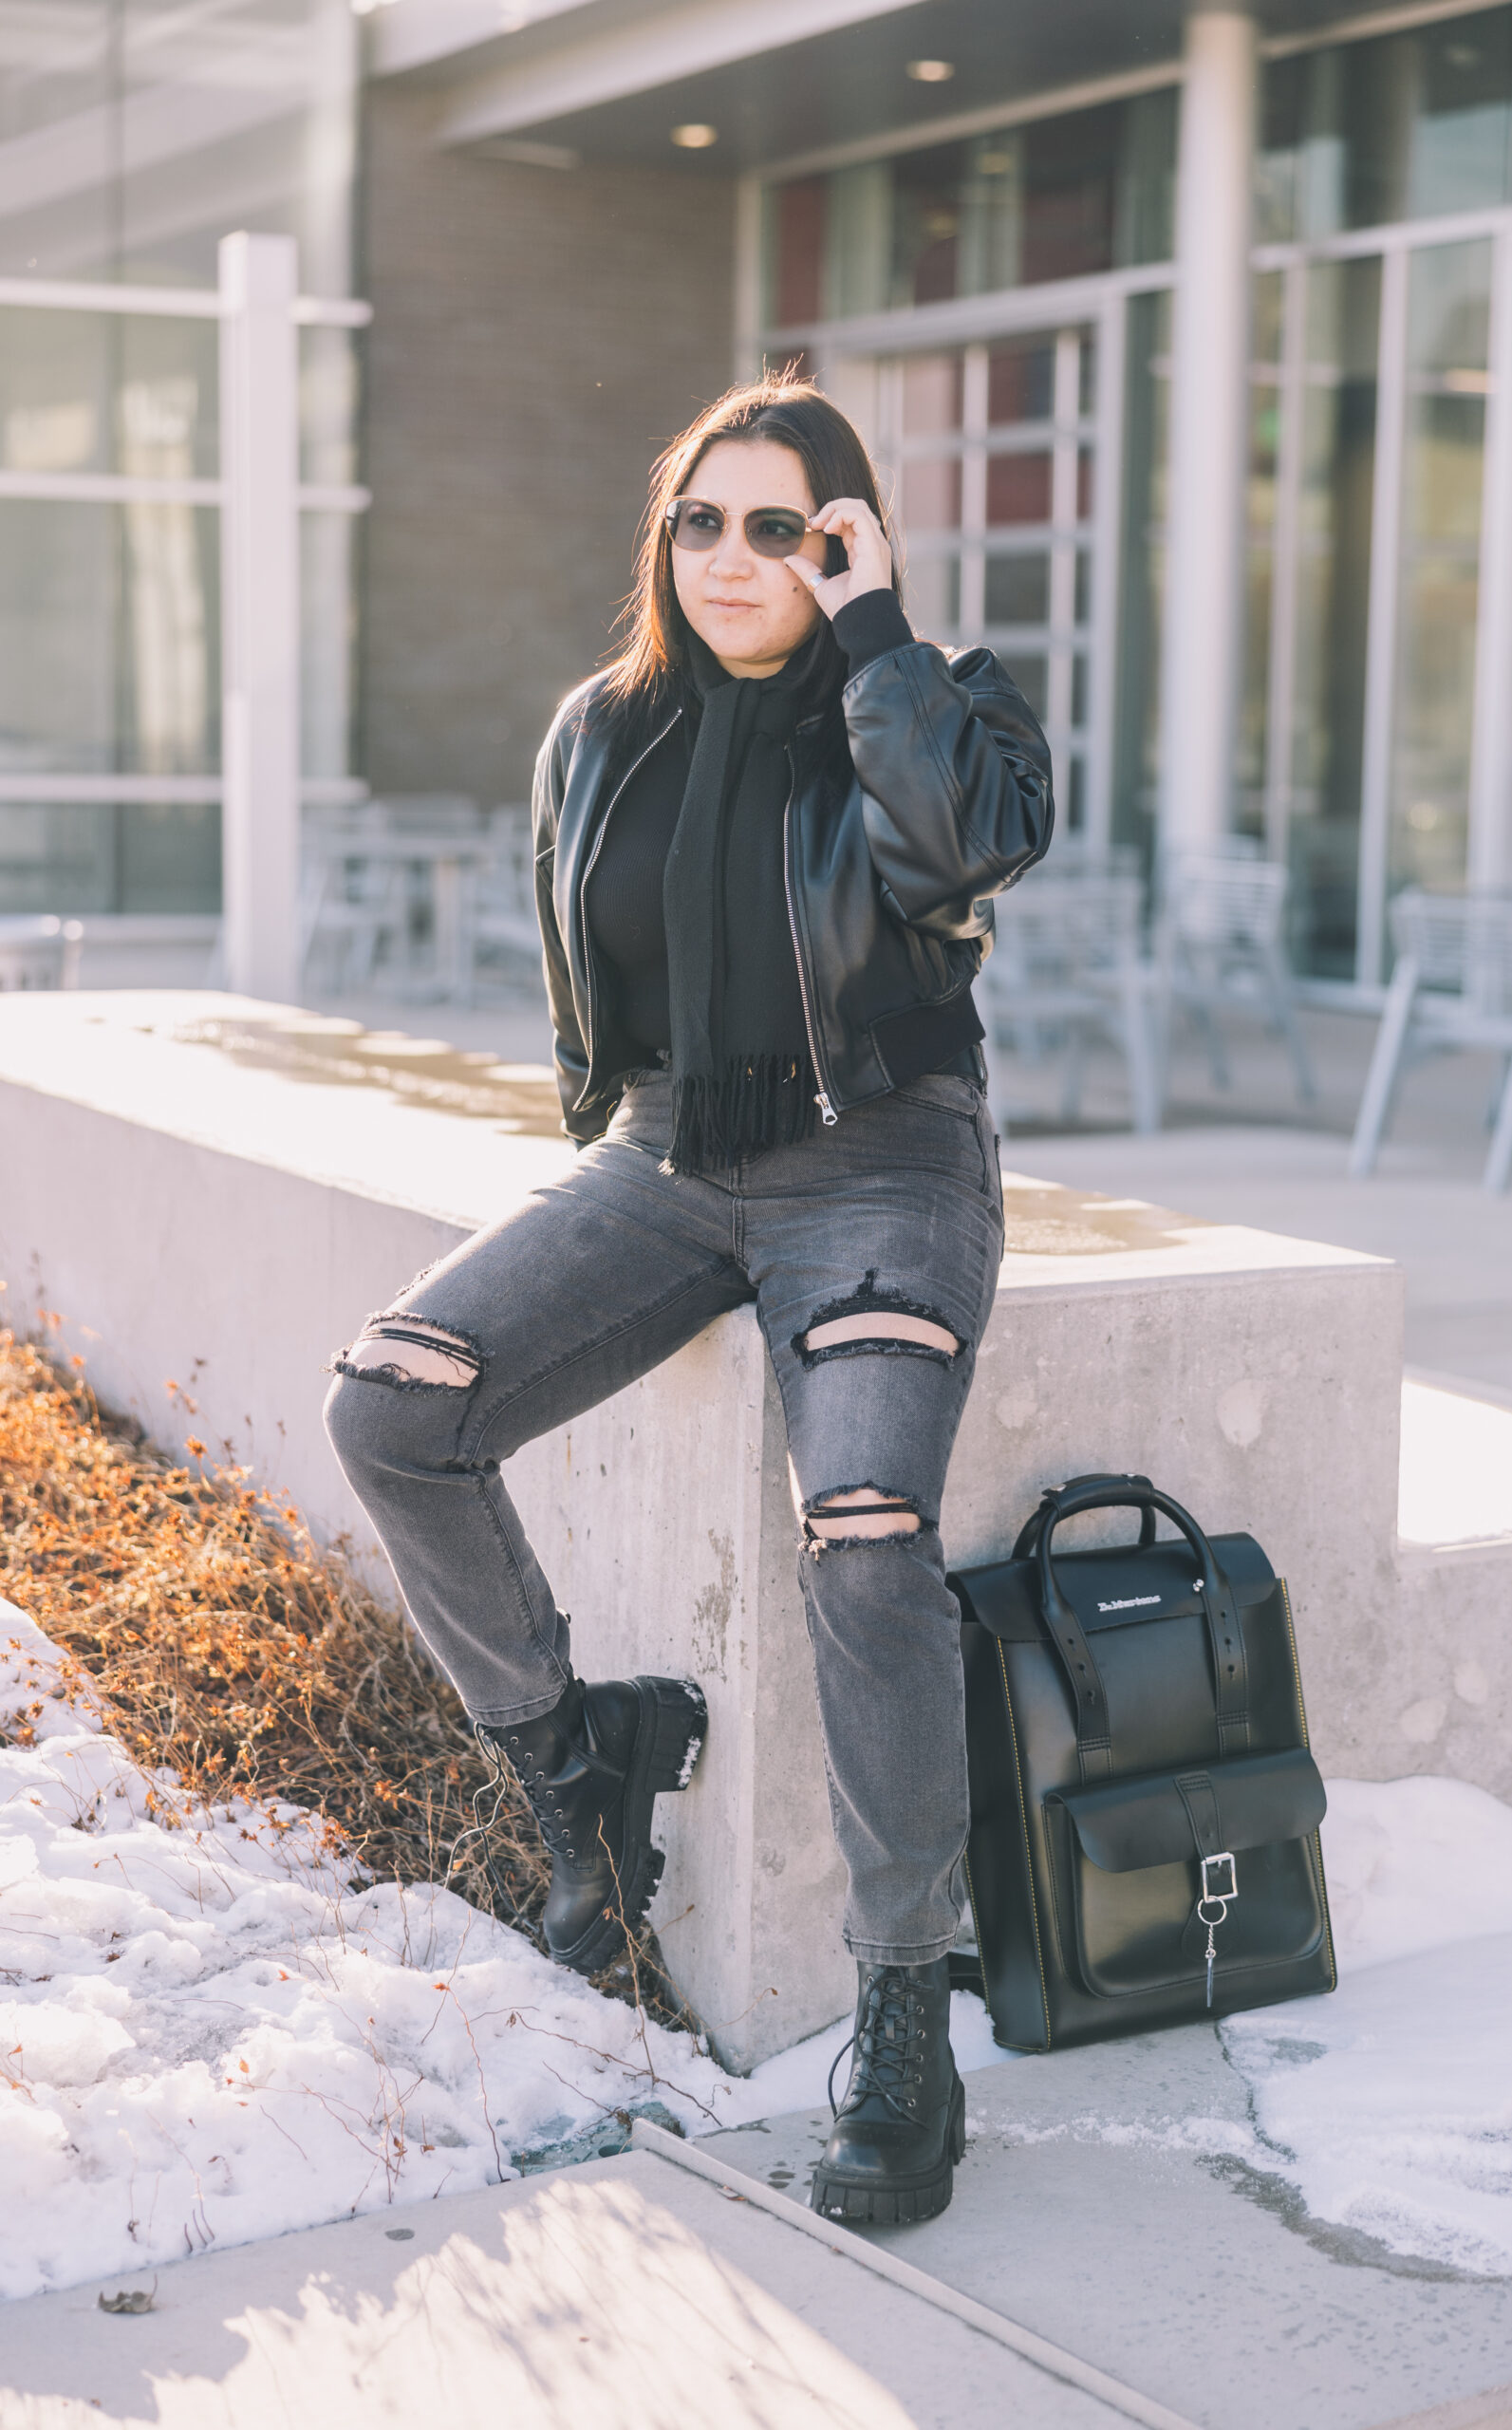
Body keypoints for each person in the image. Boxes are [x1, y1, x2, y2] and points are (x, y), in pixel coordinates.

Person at [325, 374, 1052, 2226]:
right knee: (394, 1399)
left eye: (784, 525)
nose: (734, 557)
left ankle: (901, 2008)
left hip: (884, 1162)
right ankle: (580, 1766)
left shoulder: (933, 702)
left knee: (867, 1530)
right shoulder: (604, 727)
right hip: (666, 1159)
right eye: (701, 522)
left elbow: (965, 848)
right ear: (667, 542)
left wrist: (876, 625)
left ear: (842, 538)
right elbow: (591, 971)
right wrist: (621, 1137)